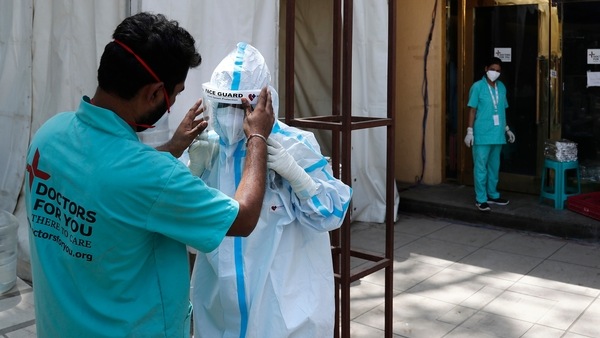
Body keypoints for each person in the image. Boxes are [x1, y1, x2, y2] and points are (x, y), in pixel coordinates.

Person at [24, 13, 274, 337]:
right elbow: (244, 218)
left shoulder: (48, 137)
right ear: (155, 93)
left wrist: (171, 148)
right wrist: (258, 137)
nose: (171, 106)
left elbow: (104, 185)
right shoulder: (153, 176)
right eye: (174, 94)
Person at [188, 42, 352, 338]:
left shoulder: (293, 145)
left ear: (262, 103)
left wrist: (298, 176)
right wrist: (192, 172)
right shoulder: (208, 148)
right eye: (223, 106)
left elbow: (333, 213)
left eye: (241, 107)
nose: (230, 116)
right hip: (218, 309)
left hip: (283, 315)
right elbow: (183, 219)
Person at [464, 56, 516, 212]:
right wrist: (469, 131)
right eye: (492, 69)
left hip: (497, 134)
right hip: (481, 134)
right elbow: (472, 109)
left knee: (494, 166)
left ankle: (493, 194)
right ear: (486, 69)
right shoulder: (477, 87)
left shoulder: (501, 88)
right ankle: (481, 198)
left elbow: (501, 110)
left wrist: (507, 129)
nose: (495, 72)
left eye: (498, 70)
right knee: (481, 167)